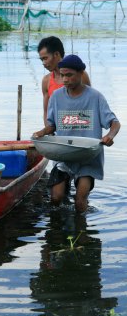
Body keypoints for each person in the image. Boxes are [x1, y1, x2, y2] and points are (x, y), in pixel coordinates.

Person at [33, 54, 120, 213]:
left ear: (81, 74)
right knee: (56, 198)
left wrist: (110, 136)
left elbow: (114, 123)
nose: (65, 79)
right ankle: (57, 231)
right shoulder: (56, 97)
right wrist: (42, 132)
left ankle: (82, 234)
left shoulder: (95, 97)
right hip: (65, 156)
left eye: (69, 75)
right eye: (62, 75)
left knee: (80, 201)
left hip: (88, 158)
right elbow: (52, 125)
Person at [38, 36, 91, 125]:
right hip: (57, 130)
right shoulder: (46, 81)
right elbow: (46, 111)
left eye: (45, 58)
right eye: (41, 59)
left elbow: (89, 105)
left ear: (57, 54)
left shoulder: (80, 75)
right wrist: (49, 132)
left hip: (78, 126)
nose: (43, 63)